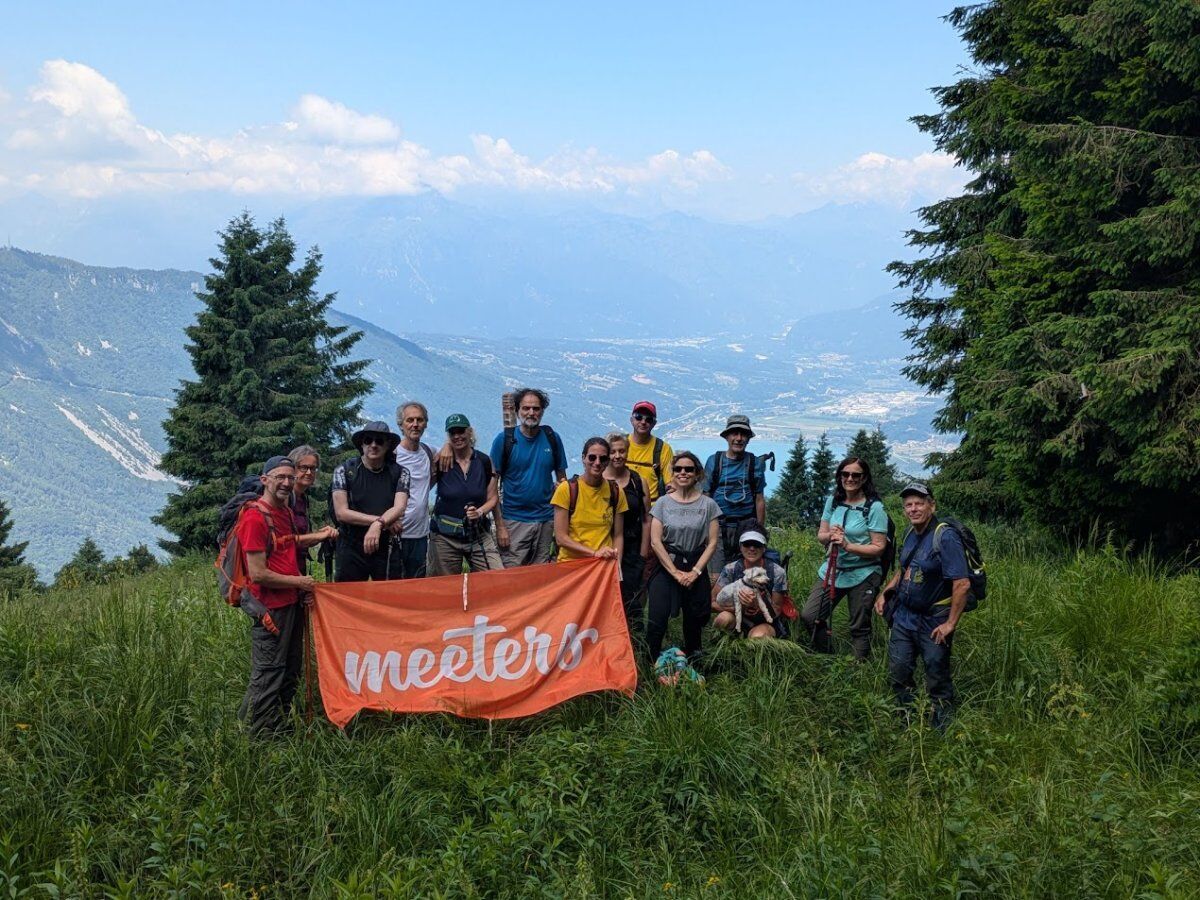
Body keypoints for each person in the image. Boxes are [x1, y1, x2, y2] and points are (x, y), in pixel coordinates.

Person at [237, 455, 336, 737]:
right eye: (279, 477)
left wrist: (319, 537)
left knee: (290, 669)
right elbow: (258, 574)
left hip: (291, 603)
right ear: (264, 480)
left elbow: (288, 547)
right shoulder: (255, 518)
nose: (286, 482)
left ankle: (276, 725)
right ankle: (257, 736)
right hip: (270, 608)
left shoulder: (286, 514)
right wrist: (299, 582)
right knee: (269, 672)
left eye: (290, 478)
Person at [875, 482, 970, 730]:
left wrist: (950, 624)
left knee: (936, 672)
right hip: (905, 616)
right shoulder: (909, 534)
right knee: (899, 668)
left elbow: (962, 583)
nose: (913, 509)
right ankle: (906, 719)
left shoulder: (945, 537)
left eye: (919, 503)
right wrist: (886, 592)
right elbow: (904, 569)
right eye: (909, 505)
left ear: (931, 505)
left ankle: (942, 727)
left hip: (933, 617)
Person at [800, 457, 889, 659]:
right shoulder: (833, 501)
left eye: (856, 475)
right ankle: (827, 656)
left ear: (864, 478)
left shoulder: (875, 508)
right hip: (833, 570)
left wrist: (848, 545)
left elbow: (879, 547)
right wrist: (831, 536)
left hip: (863, 572)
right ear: (839, 476)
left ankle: (858, 668)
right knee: (810, 615)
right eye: (845, 474)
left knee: (859, 625)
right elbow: (821, 535)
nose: (850, 478)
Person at [646, 450, 722, 664]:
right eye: (678, 469)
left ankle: (694, 660)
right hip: (667, 564)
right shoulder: (662, 503)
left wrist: (695, 572)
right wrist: (675, 572)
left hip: (695, 564)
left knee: (695, 618)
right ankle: (651, 660)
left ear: (697, 473)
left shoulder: (709, 505)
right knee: (657, 617)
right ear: (672, 473)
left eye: (688, 469)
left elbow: (713, 541)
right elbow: (655, 541)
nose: (683, 473)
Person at [490, 387, 567, 567]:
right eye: (526, 408)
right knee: (512, 576)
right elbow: (492, 486)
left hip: (546, 520)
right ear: (517, 411)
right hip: (514, 520)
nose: (531, 413)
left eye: (536, 408)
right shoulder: (504, 441)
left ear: (542, 411)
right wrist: (500, 525)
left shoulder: (552, 438)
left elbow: (562, 479)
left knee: (539, 578)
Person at [330, 421, 410, 582]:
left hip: (386, 546)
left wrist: (379, 525)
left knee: (389, 598)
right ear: (362, 443)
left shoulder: (401, 472)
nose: (373, 445)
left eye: (379, 441)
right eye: (368, 440)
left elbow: (400, 507)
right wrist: (380, 522)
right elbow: (341, 513)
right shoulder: (344, 470)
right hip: (350, 545)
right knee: (348, 598)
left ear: (388, 445)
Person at [428, 414, 503, 575]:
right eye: (452, 433)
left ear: (469, 432)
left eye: (461, 431)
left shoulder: (483, 461)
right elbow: (424, 487)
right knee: (446, 588)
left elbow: (493, 497)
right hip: (444, 537)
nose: (457, 436)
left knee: (495, 576)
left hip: (478, 534)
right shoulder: (441, 461)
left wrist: (480, 512)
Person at [704, 414, 767, 574]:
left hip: (746, 527)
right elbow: (705, 496)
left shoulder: (755, 464)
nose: (739, 438)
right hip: (718, 527)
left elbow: (759, 499)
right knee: (716, 576)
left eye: (743, 434)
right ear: (727, 437)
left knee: (746, 575)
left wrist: (759, 530)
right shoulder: (714, 461)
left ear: (748, 438)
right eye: (734, 433)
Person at [604, 432, 653, 637]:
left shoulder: (637, 481)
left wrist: (643, 553)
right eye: (613, 451)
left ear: (627, 451)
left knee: (632, 597)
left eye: (621, 451)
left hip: (633, 547)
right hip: (605, 545)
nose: (617, 456)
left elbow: (646, 518)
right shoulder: (599, 478)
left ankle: (634, 641)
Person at [552, 437, 628, 561]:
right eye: (592, 457)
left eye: (602, 458)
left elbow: (618, 535)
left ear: (607, 461)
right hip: (571, 564)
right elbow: (561, 538)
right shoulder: (566, 490)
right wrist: (594, 553)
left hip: (603, 565)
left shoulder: (616, 491)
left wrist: (616, 565)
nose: (597, 463)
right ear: (583, 458)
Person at [711, 524, 790, 640]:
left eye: (757, 545)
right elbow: (712, 603)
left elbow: (777, 610)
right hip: (735, 616)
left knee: (757, 637)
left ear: (764, 548)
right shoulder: (730, 569)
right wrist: (739, 607)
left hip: (765, 622)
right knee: (722, 620)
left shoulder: (777, 572)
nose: (752, 548)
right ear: (740, 547)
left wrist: (756, 605)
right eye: (747, 544)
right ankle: (724, 646)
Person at [394, 401, 436, 578]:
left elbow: (457, 453)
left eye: (420, 420)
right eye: (410, 420)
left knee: (416, 584)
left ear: (425, 423)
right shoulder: (393, 455)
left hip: (420, 535)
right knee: (394, 584)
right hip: (396, 533)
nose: (415, 424)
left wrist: (449, 445)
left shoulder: (428, 451)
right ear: (401, 425)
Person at [625, 400, 674, 503]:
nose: (643, 422)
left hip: (651, 507)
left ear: (654, 423)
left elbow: (670, 483)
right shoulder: (621, 445)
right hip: (623, 505)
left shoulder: (663, 449)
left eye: (649, 419)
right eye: (638, 417)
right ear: (631, 420)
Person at [287, 444, 321, 574]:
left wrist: (321, 535)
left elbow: (302, 538)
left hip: (298, 567)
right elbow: (284, 541)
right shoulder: (285, 498)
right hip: (283, 572)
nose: (309, 472)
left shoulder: (303, 498)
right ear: (292, 469)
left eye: (313, 468)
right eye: (303, 468)